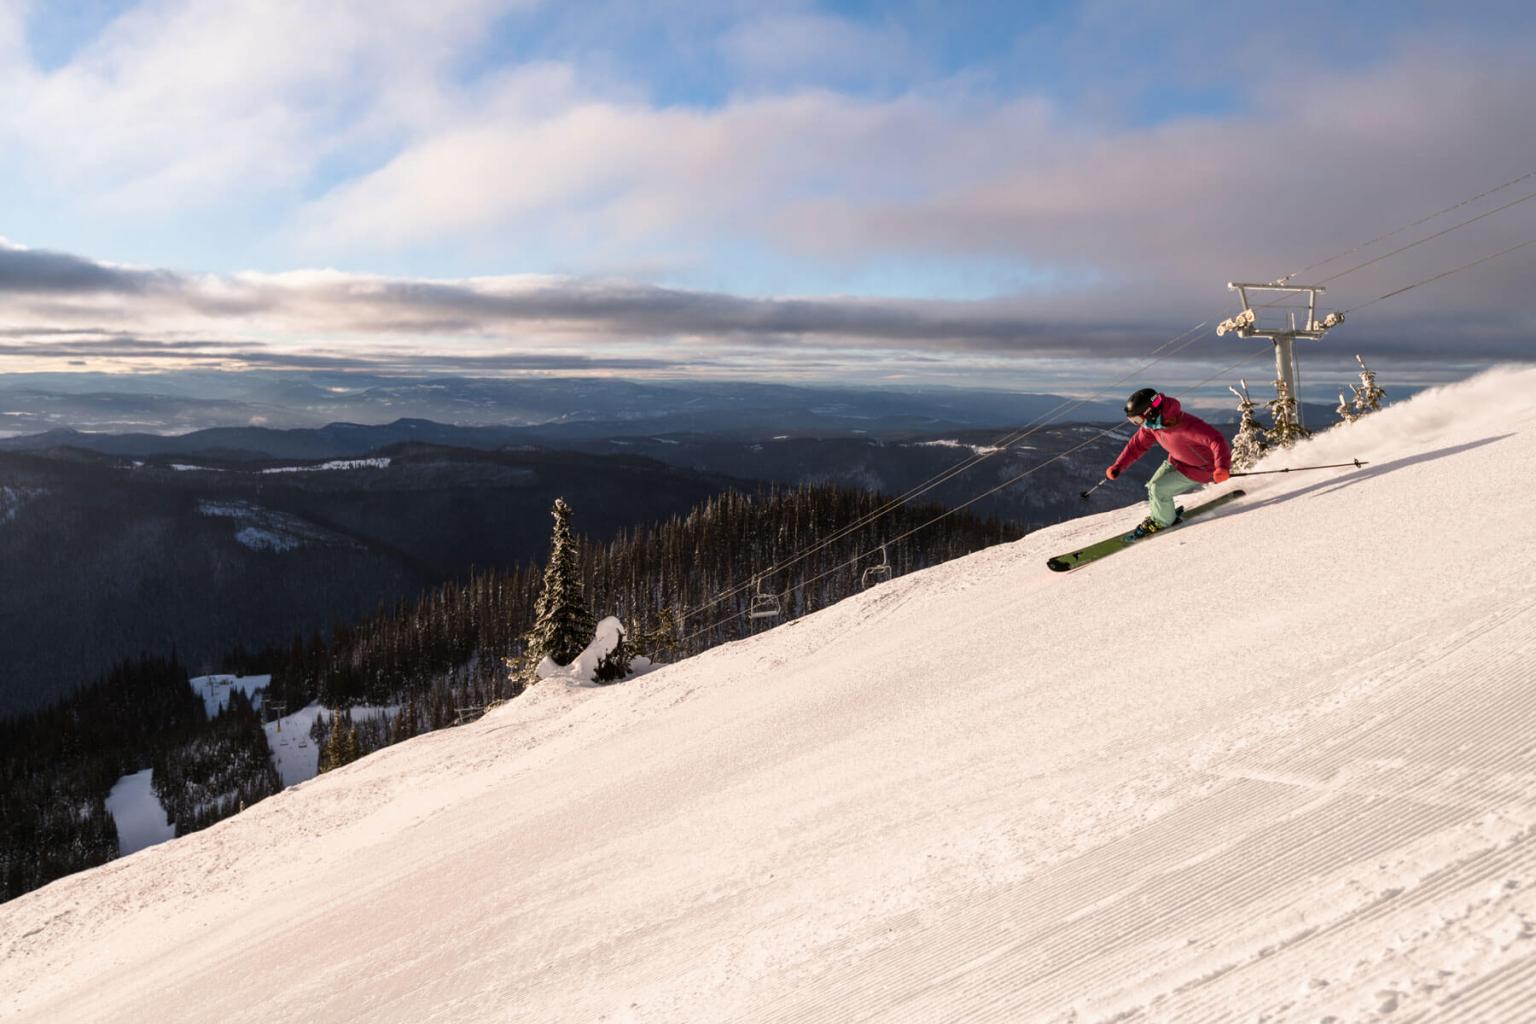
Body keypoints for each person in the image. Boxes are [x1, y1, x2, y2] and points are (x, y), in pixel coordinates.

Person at [1106, 387, 1232, 538]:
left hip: (1201, 469)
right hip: (1177, 462)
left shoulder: (1189, 427)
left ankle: (1162, 522)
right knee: (1153, 485)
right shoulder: (1153, 426)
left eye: (1137, 420)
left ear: (1150, 412)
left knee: (1158, 489)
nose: (1138, 424)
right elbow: (1137, 445)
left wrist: (1221, 468)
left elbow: (1217, 441)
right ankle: (1163, 515)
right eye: (1134, 421)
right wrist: (1119, 465)